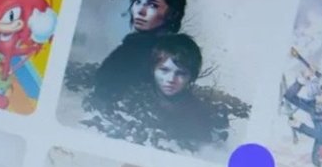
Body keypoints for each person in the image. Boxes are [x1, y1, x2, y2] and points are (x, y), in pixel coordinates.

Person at [87, 31, 229, 150]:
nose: (171, 79)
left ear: (191, 77)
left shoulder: (197, 115)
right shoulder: (130, 100)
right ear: (152, 69)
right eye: (164, 70)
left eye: (181, 73)